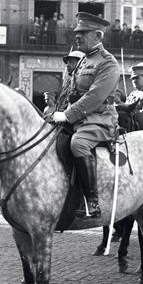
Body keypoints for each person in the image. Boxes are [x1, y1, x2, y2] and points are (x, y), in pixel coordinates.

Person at [51, 12, 120, 219]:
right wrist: (56, 112)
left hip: (99, 119)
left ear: (98, 35)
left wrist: (67, 115)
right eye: (77, 33)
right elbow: (72, 91)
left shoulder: (108, 62)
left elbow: (95, 96)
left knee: (78, 144)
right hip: (79, 118)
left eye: (83, 33)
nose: (77, 36)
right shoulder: (83, 60)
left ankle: (91, 200)